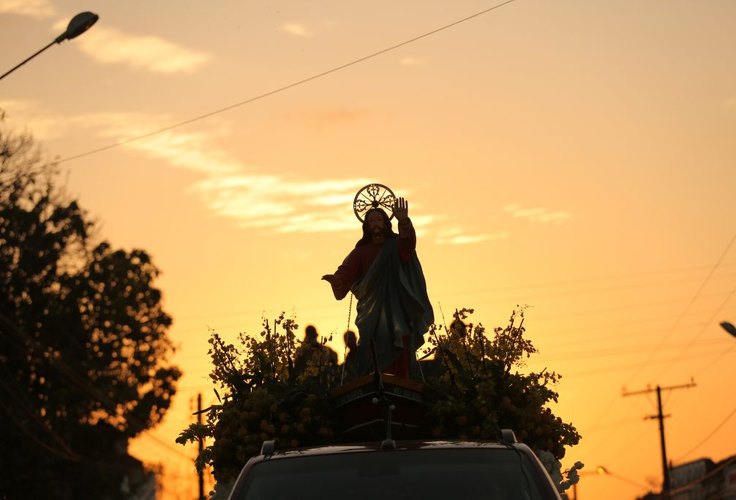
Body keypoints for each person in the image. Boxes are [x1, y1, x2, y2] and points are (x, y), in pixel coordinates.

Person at [322, 197, 433, 379]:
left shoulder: (395, 244)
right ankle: (373, 380)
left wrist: (403, 221)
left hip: (397, 308)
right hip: (370, 312)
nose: (376, 223)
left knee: (400, 344)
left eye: (379, 219)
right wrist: (337, 280)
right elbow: (346, 270)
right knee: (370, 346)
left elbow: (407, 247)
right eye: (372, 220)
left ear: (386, 223)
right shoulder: (360, 251)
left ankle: (402, 380)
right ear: (366, 225)